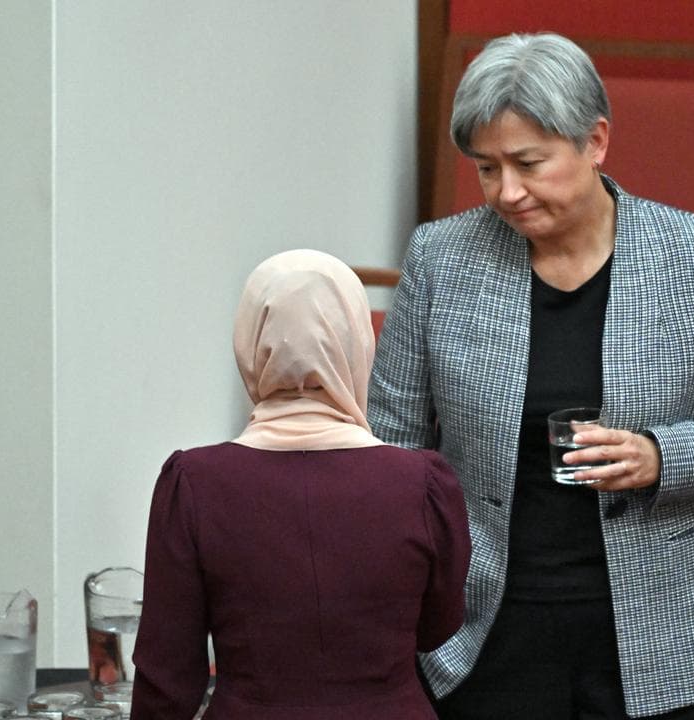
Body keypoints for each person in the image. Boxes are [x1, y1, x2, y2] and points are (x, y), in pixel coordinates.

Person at [368, 32, 694, 720]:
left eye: (529, 163)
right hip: (484, 628)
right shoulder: (441, 258)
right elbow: (389, 445)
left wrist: (664, 455)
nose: (506, 192)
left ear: (596, 141)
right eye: (486, 169)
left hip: (666, 628)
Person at [131, 249, 472, 720]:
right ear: (358, 341)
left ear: (249, 343)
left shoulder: (192, 484)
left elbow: (166, 677)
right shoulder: (422, 484)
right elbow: (438, 627)